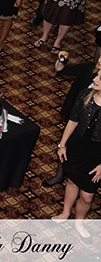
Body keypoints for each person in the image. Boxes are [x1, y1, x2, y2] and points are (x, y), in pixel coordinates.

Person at [52, 75, 101, 237]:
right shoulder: (84, 95)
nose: (95, 79)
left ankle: (79, 222)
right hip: (77, 147)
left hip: (97, 156)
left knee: (87, 196)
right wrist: (62, 145)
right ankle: (65, 213)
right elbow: (73, 121)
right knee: (72, 181)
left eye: (100, 78)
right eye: (97, 75)